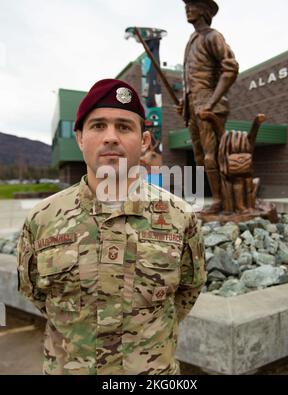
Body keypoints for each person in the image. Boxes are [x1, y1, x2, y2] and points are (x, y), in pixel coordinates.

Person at [17, 78, 206, 375]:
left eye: (124, 126)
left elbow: (188, 290)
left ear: (144, 142)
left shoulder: (179, 217)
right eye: (98, 126)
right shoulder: (42, 219)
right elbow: (34, 292)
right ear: (80, 138)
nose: (110, 137)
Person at [177, 0, 239, 214]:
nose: (187, 8)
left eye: (192, 4)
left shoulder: (213, 37)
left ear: (204, 10)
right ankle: (218, 199)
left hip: (210, 106)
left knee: (214, 155)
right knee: (200, 158)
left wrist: (211, 104)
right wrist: (185, 104)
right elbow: (191, 79)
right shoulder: (192, 40)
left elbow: (230, 69)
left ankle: (224, 202)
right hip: (194, 107)